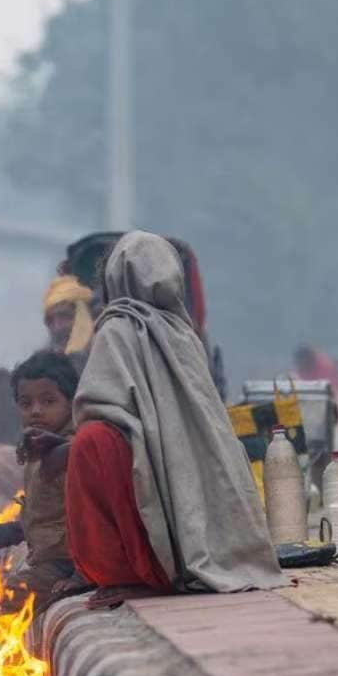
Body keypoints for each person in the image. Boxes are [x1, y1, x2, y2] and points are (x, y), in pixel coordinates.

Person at [66, 232, 284, 608]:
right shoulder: (185, 333)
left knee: (92, 443)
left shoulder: (116, 328)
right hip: (178, 474)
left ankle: (130, 573)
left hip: (139, 468)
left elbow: (95, 407)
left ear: (116, 275)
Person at [0, 350, 84, 610]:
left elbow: (89, 519)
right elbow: (46, 514)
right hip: (47, 558)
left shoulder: (73, 451)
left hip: (69, 564)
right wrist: (11, 532)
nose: (36, 411)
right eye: (26, 404)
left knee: (6, 601)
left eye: (48, 402)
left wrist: (81, 575)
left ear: (71, 402)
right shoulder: (36, 449)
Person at [43, 275, 95, 362]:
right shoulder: (44, 362)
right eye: (50, 320)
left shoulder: (104, 352)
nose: (57, 327)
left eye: (64, 316)